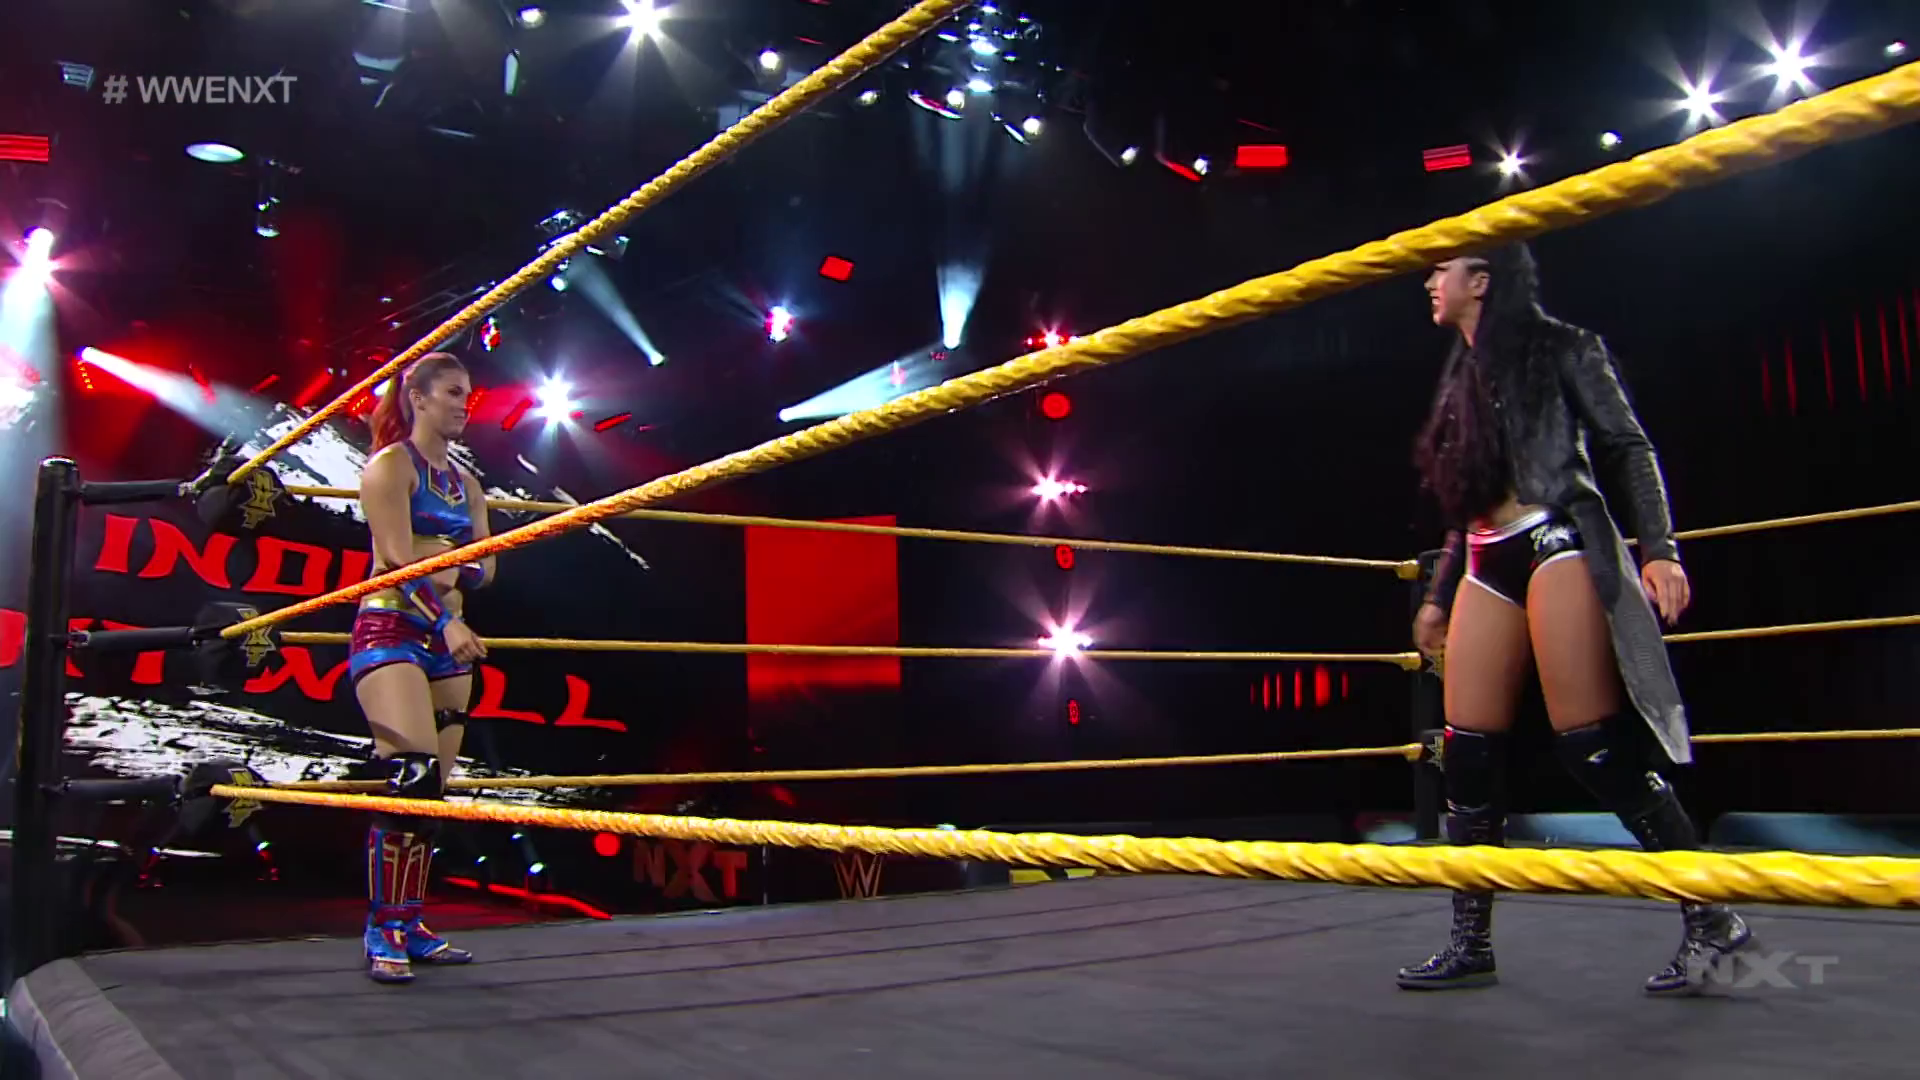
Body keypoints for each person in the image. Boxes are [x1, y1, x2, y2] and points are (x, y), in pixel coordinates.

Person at [1396, 244, 1751, 996]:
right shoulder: (1460, 375)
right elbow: (1464, 499)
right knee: (1466, 755)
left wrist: (1660, 549)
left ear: (1481, 280)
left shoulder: (1564, 346)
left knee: (1593, 747)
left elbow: (1626, 445)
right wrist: (1438, 595)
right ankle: (1470, 942)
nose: (1429, 281)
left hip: (1554, 537)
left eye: (1442, 269)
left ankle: (1712, 916)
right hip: (1486, 555)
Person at [349, 351, 493, 983]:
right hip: (394, 630)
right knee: (409, 775)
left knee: (433, 793)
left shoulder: (469, 485)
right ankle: (380, 926)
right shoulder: (390, 466)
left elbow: (488, 567)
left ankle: (410, 921)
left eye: (468, 394)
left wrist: (444, 559)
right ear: (419, 398)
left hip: (448, 641)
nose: (465, 405)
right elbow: (395, 562)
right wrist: (446, 607)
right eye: (454, 392)